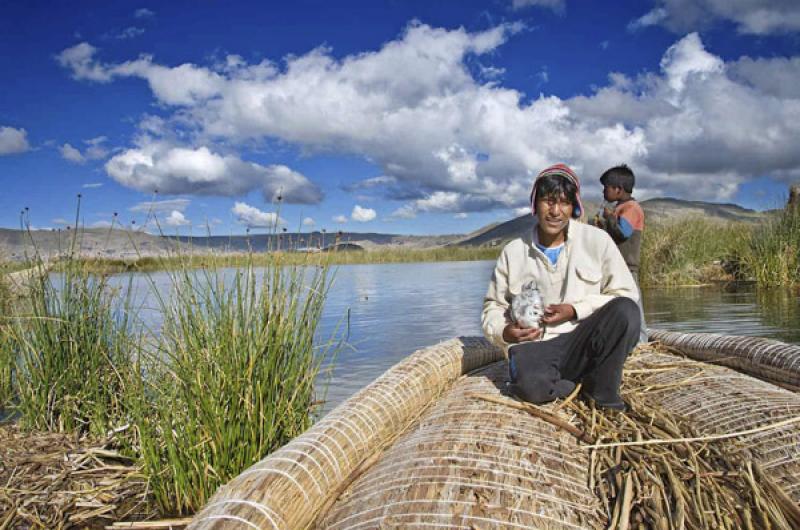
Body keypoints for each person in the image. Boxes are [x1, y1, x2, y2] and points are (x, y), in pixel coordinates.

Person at [481, 164, 640, 410]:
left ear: (573, 207)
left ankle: (604, 396)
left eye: (564, 203)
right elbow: (493, 306)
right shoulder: (513, 252)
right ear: (535, 205)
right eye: (547, 201)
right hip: (538, 347)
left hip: (582, 340)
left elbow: (627, 294)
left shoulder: (597, 241)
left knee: (626, 310)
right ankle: (582, 382)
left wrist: (575, 310)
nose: (555, 211)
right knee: (530, 387)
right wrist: (505, 331)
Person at [593, 164, 648, 344]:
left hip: (627, 266)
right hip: (615, 266)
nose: (603, 192)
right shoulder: (620, 208)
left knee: (633, 303)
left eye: (606, 188)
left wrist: (609, 218)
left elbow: (623, 232)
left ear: (618, 189)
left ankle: (641, 341)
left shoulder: (631, 208)